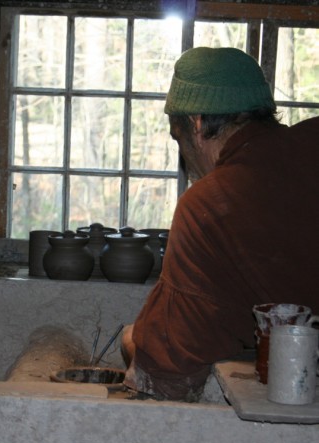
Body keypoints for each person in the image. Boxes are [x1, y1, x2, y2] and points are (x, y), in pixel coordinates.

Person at [121, 47, 319, 401]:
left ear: (196, 125)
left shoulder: (209, 203)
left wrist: (135, 343)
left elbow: (169, 372)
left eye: (177, 138)